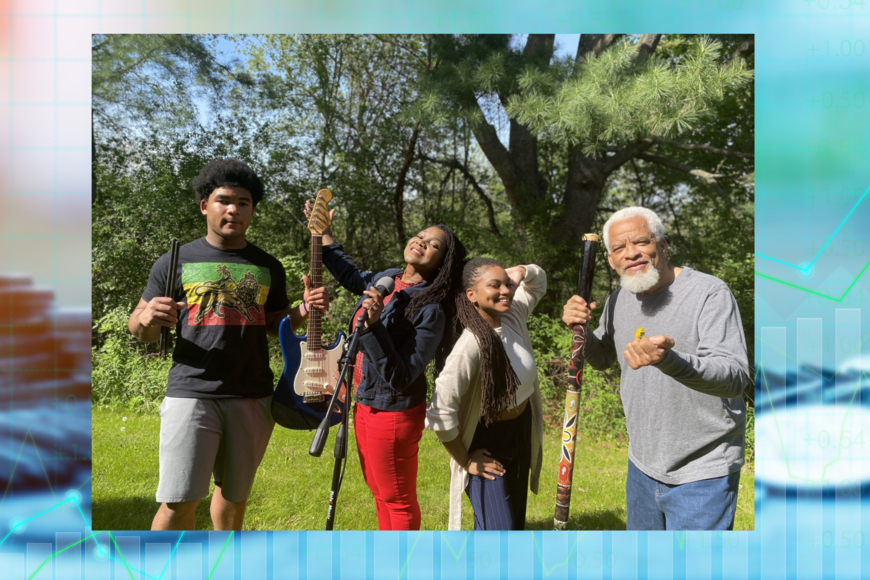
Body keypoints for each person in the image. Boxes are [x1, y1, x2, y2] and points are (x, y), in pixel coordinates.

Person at [128, 158, 329, 531]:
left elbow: (272, 325)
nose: (233, 209)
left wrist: (303, 308)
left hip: (252, 396)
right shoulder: (175, 261)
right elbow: (141, 329)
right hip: (192, 393)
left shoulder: (267, 265)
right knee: (177, 503)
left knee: (234, 500)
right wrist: (146, 318)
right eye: (223, 200)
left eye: (243, 202)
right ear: (206, 206)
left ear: (252, 210)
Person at [561, 206, 749, 531]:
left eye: (641, 242)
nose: (631, 253)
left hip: (702, 471)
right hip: (642, 466)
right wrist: (580, 330)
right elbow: (604, 358)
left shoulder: (709, 293)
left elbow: (735, 377)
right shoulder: (619, 300)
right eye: (619, 248)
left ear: (663, 245)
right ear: (610, 259)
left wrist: (669, 361)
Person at [310, 202, 466, 531]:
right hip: (364, 401)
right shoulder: (387, 279)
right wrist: (323, 235)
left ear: (443, 262)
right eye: (421, 235)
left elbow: (402, 375)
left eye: (434, 244)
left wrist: (375, 325)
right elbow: (351, 275)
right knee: (379, 492)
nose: (422, 241)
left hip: (394, 411)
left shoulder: (431, 308)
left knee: (397, 497)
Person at [426, 258, 547, 530]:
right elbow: (439, 410)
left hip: (519, 432)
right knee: (498, 530)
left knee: (514, 522)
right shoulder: (470, 345)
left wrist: (520, 271)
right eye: (495, 285)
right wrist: (466, 460)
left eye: (507, 284)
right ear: (472, 295)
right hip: (487, 442)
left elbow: (538, 282)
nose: (505, 290)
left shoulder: (512, 316)